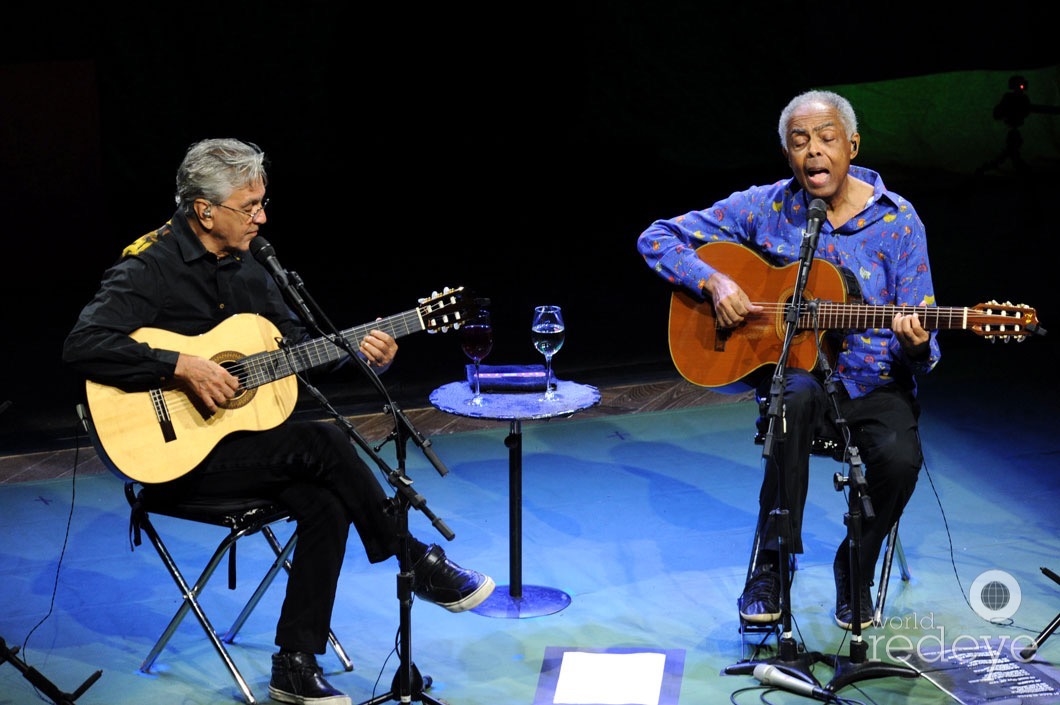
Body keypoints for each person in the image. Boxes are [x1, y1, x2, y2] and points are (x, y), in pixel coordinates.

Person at [63, 138, 495, 705]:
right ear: (204, 210)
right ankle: (411, 555)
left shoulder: (253, 264)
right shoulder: (149, 266)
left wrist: (356, 350)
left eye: (263, 202)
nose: (262, 217)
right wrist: (181, 364)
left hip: (240, 449)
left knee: (325, 500)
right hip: (172, 460)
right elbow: (83, 345)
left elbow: (295, 348)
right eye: (250, 207)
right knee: (322, 440)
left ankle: (294, 664)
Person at [637, 90, 940, 631]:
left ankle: (857, 564)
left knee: (899, 461)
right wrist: (713, 279)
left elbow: (926, 349)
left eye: (827, 139)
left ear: (852, 145)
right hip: (799, 381)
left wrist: (916, 341)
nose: (814, 153)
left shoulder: (899, 222)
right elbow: (657, 237)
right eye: (800, 142)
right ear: (787, 152)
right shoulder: (769, 205)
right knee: (791, 399)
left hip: (877, 388)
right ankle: (772, 566)